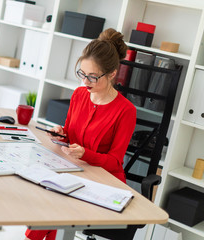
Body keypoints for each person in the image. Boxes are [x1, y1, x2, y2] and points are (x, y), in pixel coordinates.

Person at [24, 28, 137, 240]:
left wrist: (84, 154)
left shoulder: (126, 111)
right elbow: (71, 135)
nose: (85, 82)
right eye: (82, 74)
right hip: (74, 170)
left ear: (112, 74)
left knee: (52, 204)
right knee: (43, 194)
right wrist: (61, 135)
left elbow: (115, 162)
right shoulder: (79, 95)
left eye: (93, 77)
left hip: (105, 180)